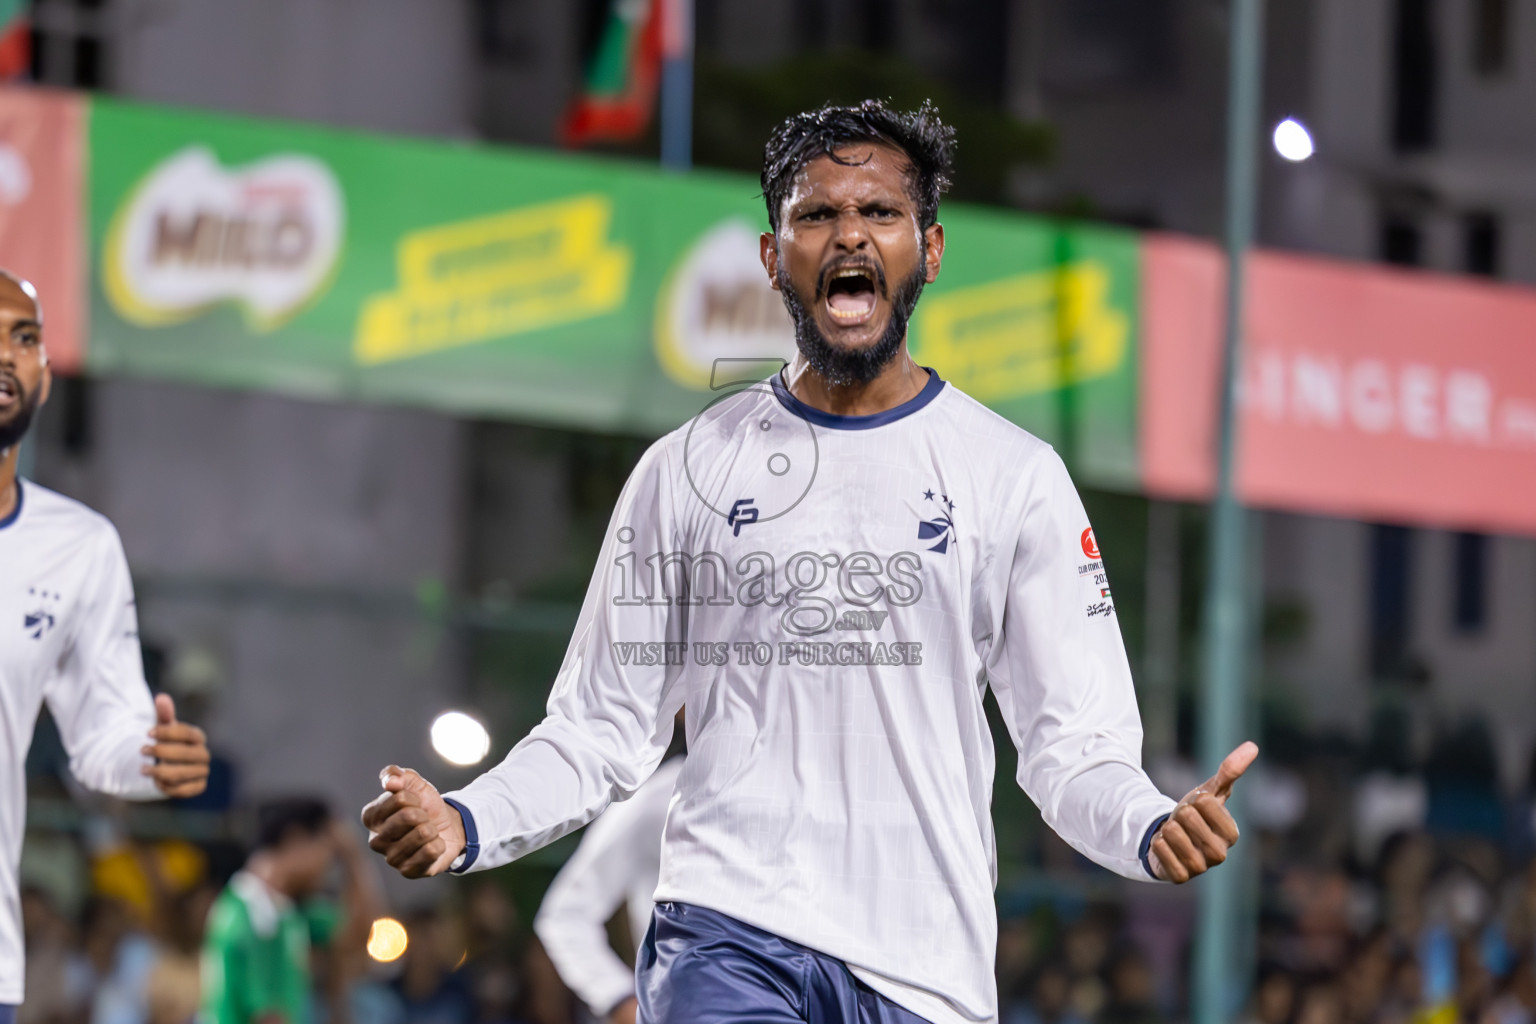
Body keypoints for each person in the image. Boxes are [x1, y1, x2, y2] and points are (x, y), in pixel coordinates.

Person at [363, 100, 1256, 1024]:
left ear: (932, 249)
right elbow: (598, 727)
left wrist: (1147, 825)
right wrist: (472, 821)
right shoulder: (689, 467)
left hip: (927, 969)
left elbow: (1072, 747)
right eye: (816, 214)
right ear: (771, 253)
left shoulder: (1015, 476)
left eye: (879, 213)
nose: (848, 236)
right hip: (727, 931)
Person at [0, 269, 210, 1023]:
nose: (6, 355)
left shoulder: (82, 547)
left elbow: (103, 738)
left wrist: (150, 761)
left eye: (24, 337)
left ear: (45, 378)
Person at [199, 799, 381, 1024]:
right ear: (296, 839)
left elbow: (358, 934)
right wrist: (353, 856)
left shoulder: (283, 910)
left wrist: (354, 858)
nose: (327, 867)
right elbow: (269, 1017)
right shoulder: (258, 917)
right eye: (329, 852)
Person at [533, 754, 684, 1024]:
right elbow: (566, 915)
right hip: (680, 1007)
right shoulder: (661, 796)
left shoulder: (783, 786)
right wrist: (617, 998)